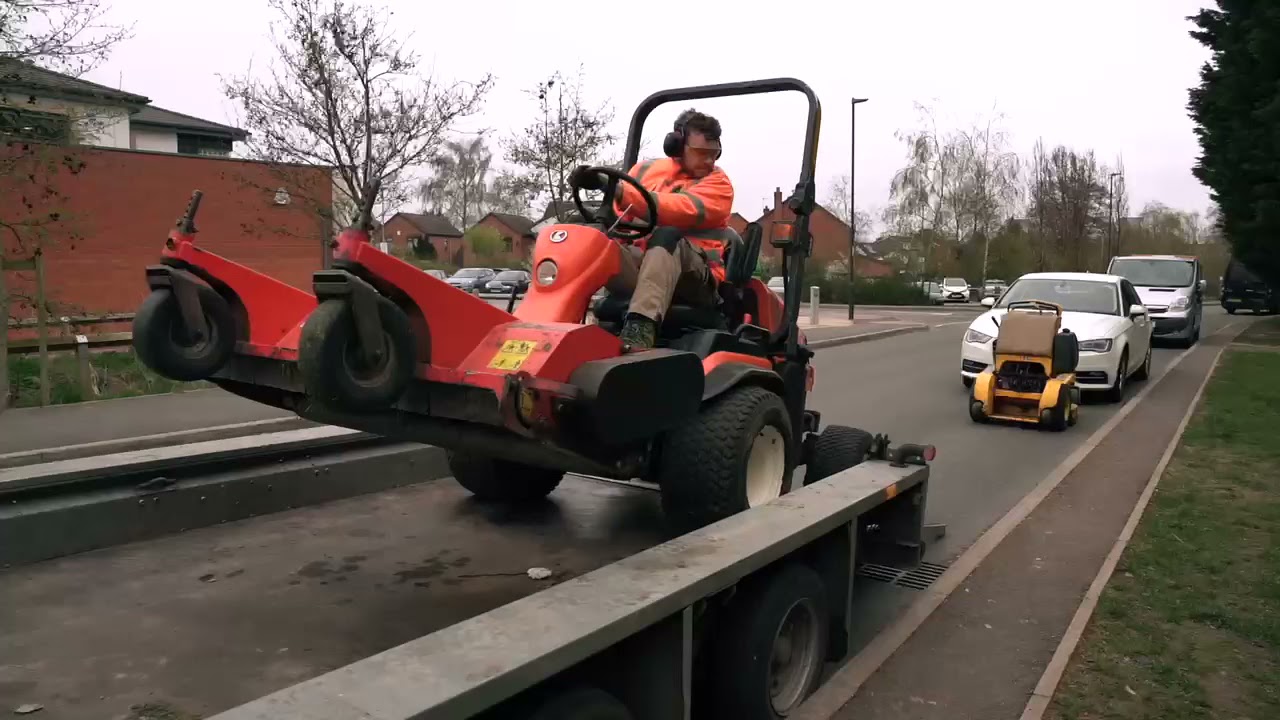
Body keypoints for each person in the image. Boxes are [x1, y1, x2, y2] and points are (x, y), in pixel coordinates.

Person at [572, 108, 734, 350]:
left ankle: (640, 329)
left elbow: (677, 209)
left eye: (715, 154)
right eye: (702, 153)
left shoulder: (718, 183)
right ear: (676, 145)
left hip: (695, 278)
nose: (710, 161)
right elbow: (620, 211)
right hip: (645, 265)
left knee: (667, 236)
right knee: (584, 238)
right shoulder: (643, 170)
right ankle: (551, 321)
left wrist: (614, 188)